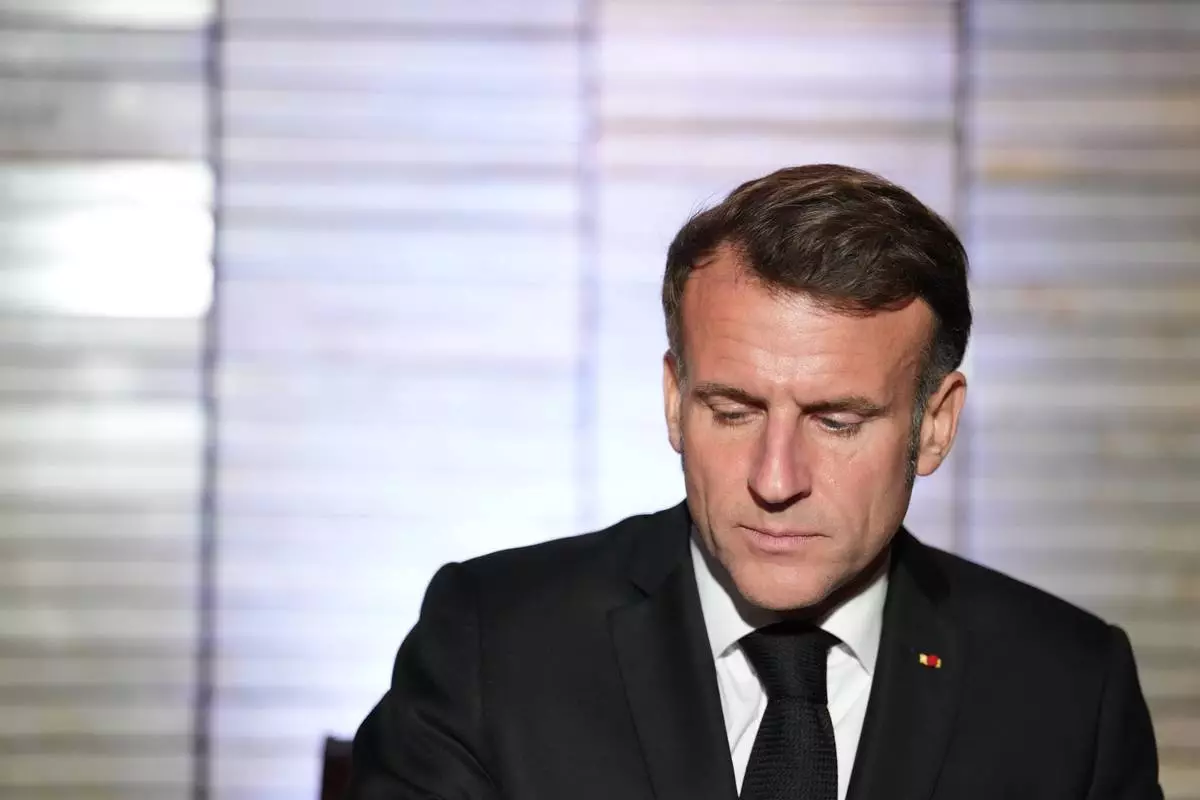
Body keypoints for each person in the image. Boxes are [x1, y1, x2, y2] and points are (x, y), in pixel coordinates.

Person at [348, 165, 1162, 800]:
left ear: (936, 424)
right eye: (733, 411)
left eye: (836, 421)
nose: (776, 480)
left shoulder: (1065, 691)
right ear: (675, 401)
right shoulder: (494, 645)